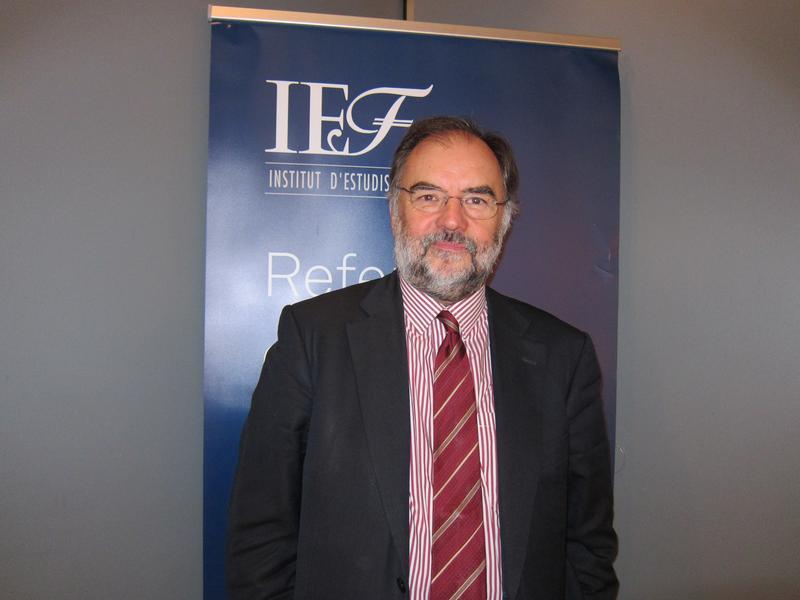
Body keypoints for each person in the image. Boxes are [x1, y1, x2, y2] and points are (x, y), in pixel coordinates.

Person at [227, 116, 618, 599]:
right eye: (429, 196)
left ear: (505, 220)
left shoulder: (564, 356)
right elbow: (261, 536)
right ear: (396, 209)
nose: (452, 221)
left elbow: (588, 544)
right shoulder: (312, 337)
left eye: (476, 199)